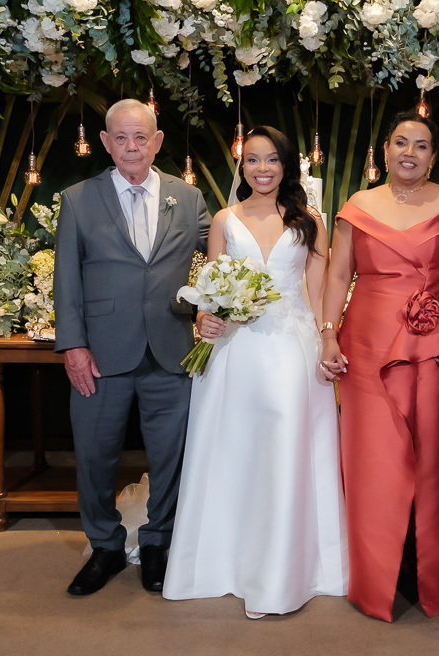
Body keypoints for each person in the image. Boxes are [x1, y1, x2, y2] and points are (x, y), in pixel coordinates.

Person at [163, 126, 348, 619]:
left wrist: (327, 340)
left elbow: (318, 291)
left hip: (291, 347)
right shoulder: (225, 219)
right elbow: (212, 287)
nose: (261, 169)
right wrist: (206, 318)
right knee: (234, 451)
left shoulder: (309, 221)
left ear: (286, 165)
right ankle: (226, 563)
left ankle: (281, 573)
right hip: (234, 350)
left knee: (284, 452)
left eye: (271, 160)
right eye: (252, 160)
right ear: (241, 167)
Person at [321, 111, 439, 621]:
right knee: (372, 457)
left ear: (433, 157)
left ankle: (435, 569)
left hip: (433, 346)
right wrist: (327, 333)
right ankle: (377, 574)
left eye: (420, 145)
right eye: (401, 142)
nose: (409, 153)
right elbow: (337, 276)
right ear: (385, 150)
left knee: (431, 456)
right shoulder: (357, 205)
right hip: (365, 346)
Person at [54, 98, 211, 596]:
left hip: (171, 346)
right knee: (94, 455)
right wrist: (73, 345)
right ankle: (104, 545)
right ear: (105, 142)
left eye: (141, 136)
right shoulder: (78, 199)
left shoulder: (188, 198)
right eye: (120, 137)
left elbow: (227, 253)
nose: (131, 146)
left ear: (157, 142)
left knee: (171, 457)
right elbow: (65, 280)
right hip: (101, 353)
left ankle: (159, 541)